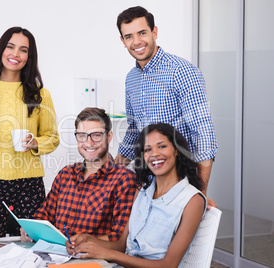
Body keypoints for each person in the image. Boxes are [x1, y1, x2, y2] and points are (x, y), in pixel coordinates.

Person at [114, 6, 218, 208]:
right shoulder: (131, 78)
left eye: (142, 33)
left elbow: (203, 134)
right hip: (147, 180)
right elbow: (134, 129)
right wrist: (110, 173)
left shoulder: (182, 71)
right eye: (129, 36)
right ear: (123, 41)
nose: (136, 42)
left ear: (154, 32)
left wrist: (200, 194)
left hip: (181, 181)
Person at [67, 122, 206, 267]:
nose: (155, 154)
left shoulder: (192, 200)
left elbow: (168, 265)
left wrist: (109, 254)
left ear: (177, 150)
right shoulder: (142, 190)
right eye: (147, 149)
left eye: (162, 146)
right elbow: (122, 244)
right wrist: (89, 240)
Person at [0, 27, 60, 240]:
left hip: (29, 182)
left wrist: (36, 142)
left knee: (31, 243)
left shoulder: (40, 94)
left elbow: (52, 137)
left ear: (30, 56)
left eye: (23, 50)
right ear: (1, 50)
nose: (15, 54)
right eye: (10, 47)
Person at [21, 108, 136, 242]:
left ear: (109, 136)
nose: (89, 143)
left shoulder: (124, 179)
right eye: (82, 135)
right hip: (56, 255)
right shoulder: (66, 174)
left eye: (96, 135)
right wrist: (30, 229)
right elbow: (43, 216)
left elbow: (119, 237)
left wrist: (78, 243)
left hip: (93, 258)